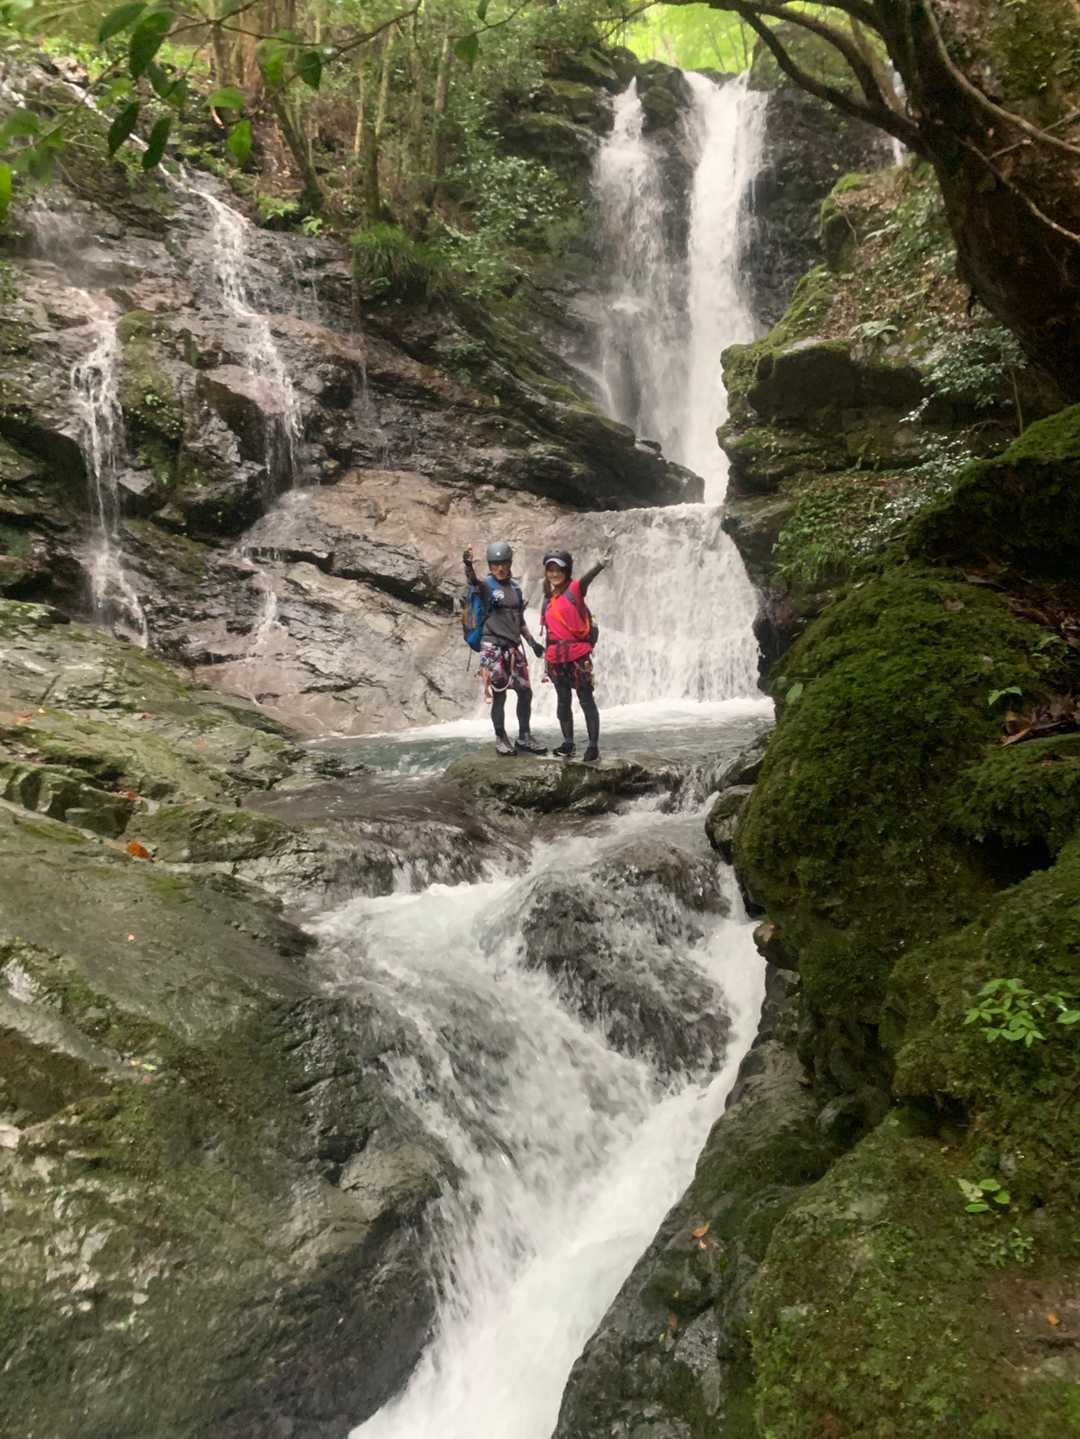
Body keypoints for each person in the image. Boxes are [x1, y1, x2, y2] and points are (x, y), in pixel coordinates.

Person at [463, 541, 547, 757]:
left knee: (525, 692)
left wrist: (532, 643)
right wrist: (468, 565)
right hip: (492, 647)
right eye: (495, 564)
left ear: (510, 563)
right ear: (490, 566)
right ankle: (501, 737)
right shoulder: (486, 586)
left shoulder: (516, 589)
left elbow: (519, 620)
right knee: (499, 695)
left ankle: (524, 736)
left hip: (513, 646)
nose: (499, 568)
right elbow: (473, 581)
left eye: (503, 563)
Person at [541, 548, 608, 763]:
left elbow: (586, 580)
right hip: (556, 657)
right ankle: (568, 743)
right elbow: (549, 632)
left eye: (559, 569)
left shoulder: (575, 589)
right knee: (563, 701)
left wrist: (599, 565)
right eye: (550, 570)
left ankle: (593, 746)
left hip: (578, 656)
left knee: (586, 700)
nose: (554, 574)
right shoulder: (548, 598)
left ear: (567, 571)